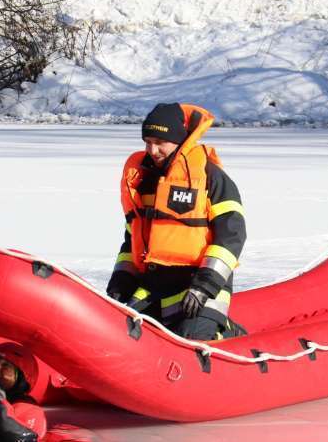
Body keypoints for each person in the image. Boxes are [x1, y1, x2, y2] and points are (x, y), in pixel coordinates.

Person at [106, 102, 247, 340]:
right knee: (115, 336)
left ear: (179, 141)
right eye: (148, 142)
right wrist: (121, 282)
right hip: (153, 287)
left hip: (200, 287)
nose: (153, 150)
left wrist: (204, 286)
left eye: (160, 143)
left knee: (190, 343)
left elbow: (232, 235)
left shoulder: (211, 178)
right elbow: (133, 239)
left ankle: (229, 333)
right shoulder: (143, 180)